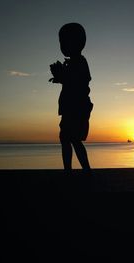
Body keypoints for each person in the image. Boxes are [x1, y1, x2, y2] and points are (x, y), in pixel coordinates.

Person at [49, 23, 93, 175]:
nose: (62, 45)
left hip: (76, 107)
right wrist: (60, 77)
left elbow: (81, 80)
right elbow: (71, 80)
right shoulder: (74, 62)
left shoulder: (80, 61)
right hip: (70, 106)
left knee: (72, 139)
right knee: (66, 139)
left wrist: (63, 76)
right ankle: (70, 169)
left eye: (64, 42)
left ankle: (84, 169)